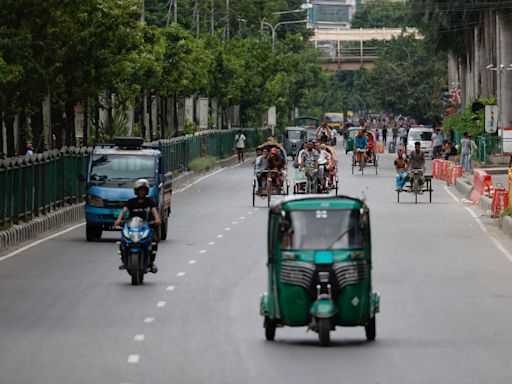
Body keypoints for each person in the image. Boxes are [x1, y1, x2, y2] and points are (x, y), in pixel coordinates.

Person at [114, 179, 162, 273]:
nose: (142, 191)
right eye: (140, 190)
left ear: (146, 191)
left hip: (145, 227)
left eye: (144, 190)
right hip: (132, 227)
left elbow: (154, 212)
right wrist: (119, 220)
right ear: (136, 191)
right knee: (122, 242)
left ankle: (151, 262)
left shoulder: (149, 202)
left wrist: (157, 219)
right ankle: (124, 261)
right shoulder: (131, 202)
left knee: (154, 243)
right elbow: (124, 211)